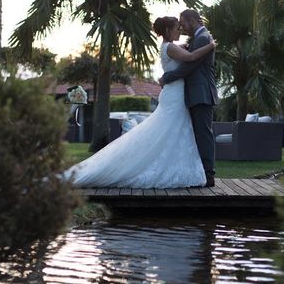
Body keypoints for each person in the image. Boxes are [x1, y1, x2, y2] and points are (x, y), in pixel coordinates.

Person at [62, 16, 216, 188]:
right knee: (167, 131)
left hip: (176, 95)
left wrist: (188, 46)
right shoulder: (171, 47)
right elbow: (192, 57)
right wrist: (210, 46)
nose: (180, 30)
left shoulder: (170, 46)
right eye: (176, 28)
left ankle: (176, 167)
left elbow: (186, 51)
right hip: (175, 96)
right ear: (167, 31)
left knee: (173, 133)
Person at [158, 9, 218, 187]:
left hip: (201, 93)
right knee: (197, 134)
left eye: (183, 24)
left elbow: (189, 66)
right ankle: (202, 173)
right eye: (178, 26)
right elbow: (188, 58)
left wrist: (166, 78)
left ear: (192, 20)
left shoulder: (202, 38)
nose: (182, 28)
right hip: (194, 93)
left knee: (203, 134)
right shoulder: (200, 39)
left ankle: (208, 175)